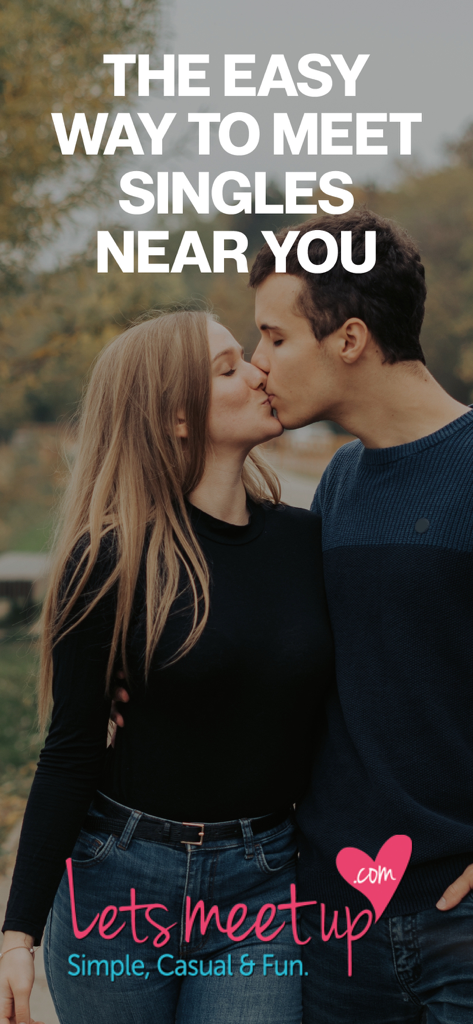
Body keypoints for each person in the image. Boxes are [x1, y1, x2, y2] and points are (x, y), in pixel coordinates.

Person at [0, 310, 334, 1024]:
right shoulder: (109, 561)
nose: (257, 369)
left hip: (263, 884)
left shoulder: (309, 544)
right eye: (227, 368)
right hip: (120, 883)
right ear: (177, 417)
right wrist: (17, 932)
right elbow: (71, 750)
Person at [249, 208, 473, 1023]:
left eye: (275, 338)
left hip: (461, 919)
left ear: (347, 339)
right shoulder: (339, 482)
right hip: (337, 922)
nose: (256, 363)